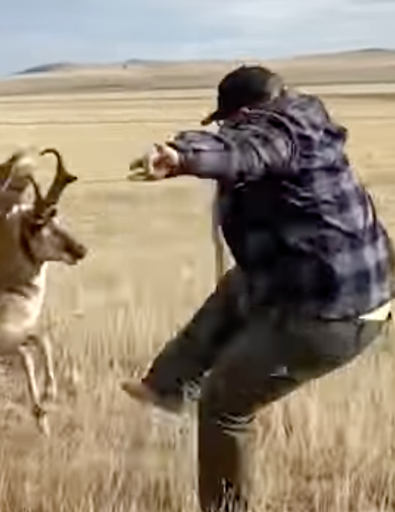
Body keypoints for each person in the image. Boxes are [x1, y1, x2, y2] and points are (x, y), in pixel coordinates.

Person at [121, 64, 394, 512]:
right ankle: (168, 384)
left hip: (334, 315)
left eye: (229, 121)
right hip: (335, 286)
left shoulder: (277, 134)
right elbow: (241, 147)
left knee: (223, 407)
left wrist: (181, 156)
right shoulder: (304, 124)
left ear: (246, 113)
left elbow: (243, 149)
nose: (227, 128)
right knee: (240, 283)